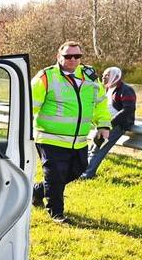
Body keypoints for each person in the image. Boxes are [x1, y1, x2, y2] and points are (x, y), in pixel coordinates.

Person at [31, 41, 111, 222]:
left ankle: (37, 191)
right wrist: (23, 129)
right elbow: (29, 105)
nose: (73, 60)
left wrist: (103, 125)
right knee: (55, 175)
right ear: (59, 57)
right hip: (50, 138)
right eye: (68, 56)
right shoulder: (46, 77)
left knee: (79, 169)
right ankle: (56, 213)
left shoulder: (89, 76)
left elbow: (100, 103)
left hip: (79, 140)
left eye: (77, 56)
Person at [79, 66, 135, 179]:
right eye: (103, 75)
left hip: (116, 125)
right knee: (92, 147)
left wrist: (110, 124)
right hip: (104, 124)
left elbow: (128, 109)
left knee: (98, 148)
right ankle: (83, 171)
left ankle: (87, 174)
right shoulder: (107, 89)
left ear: (116, 76)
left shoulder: (125, 90)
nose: (103, 77)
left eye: (107, 75)